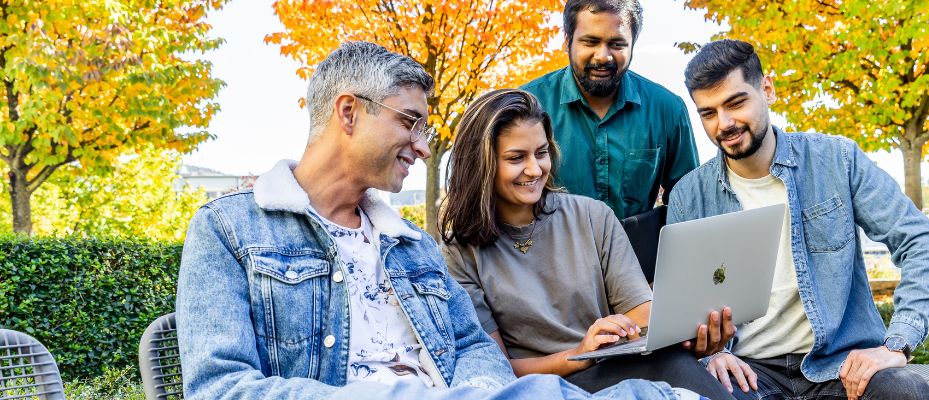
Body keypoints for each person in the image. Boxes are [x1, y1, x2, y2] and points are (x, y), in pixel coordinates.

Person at [176, 41, 681, 400]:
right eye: (409, 122)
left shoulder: (410, 243)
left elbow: (472, 346)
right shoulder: (231, 230)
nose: (422, 146)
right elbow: (220, 388)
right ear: (348, 113)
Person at [668, 40, 929, 400]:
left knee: (903, 392)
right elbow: (687, 308)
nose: (724, 124)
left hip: (840, 364)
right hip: (748, 371)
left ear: (767, 89)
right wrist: (712, 355)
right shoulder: (689, 196)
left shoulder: (837, 160)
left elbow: (925, 244)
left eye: (736, 103)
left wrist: (896, 344)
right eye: (708, 113)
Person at [439, 88, 738, 400]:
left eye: (541, 153)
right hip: (541, 388)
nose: (534, 169)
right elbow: (492, 368)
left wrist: (693, 335)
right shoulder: (459, 252)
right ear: (481, 164)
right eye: (516, 158)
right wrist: (580, 353)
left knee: (678, 363)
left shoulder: (592, 216)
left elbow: (641, 313)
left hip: (616, 366)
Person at [520, 0, 698, 220]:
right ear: (567, 41)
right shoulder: (526, 105)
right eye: (590, 42)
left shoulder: (667, 109)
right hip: (549, 251)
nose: (603, 56)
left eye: (617, 44)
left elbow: (689, 204)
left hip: (637, 252)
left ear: (633, 44)